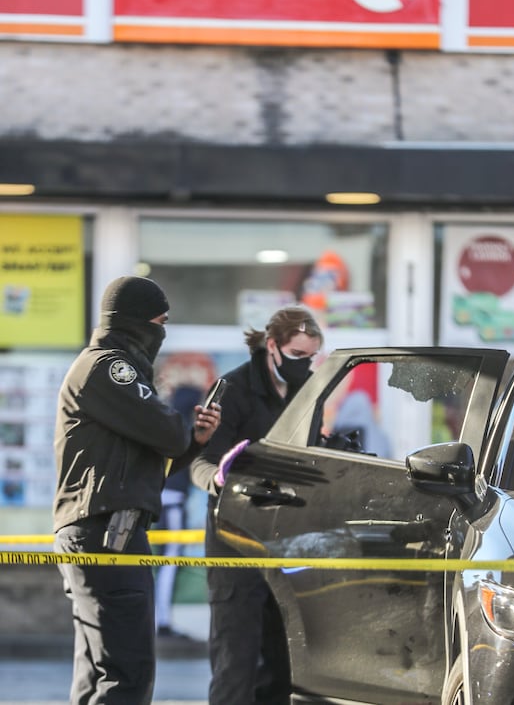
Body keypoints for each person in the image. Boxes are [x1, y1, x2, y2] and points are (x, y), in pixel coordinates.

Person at [52, 276, 220, 705]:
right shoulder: (109, 365)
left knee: (97, 672)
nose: (162, 334)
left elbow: (152, 464)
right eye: (158, 323)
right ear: (134, 323)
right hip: (107, 533)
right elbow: (164, 431)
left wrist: (193, 442)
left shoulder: (104, 369)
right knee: (126, 673)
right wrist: (181, 432)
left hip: (103, 529)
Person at [190, 305, 324, 705]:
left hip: (288, 543)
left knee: (284, 668)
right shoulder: (231, 391)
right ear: (272, 346)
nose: (305, 365)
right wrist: (219, 481)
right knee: (236, 665)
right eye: (298, 356)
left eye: (311, 357)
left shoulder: (312, 391)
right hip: (235, 544)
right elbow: (198, 460)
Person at [155, 384, 203, 638]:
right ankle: (161, 620)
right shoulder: (183, 428)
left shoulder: (167, 424)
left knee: (165, 561)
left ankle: (161, 619)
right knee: (169, 561)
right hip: (172, 502)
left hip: (163, 498)